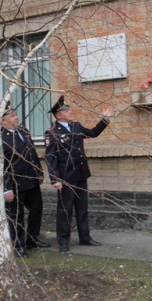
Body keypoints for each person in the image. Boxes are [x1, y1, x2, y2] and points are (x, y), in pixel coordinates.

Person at [45, 95, 114, 253]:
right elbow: (50, 157)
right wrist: (55, 179)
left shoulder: (76, 127)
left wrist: (104, 120)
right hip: (66, 177)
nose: (71, 112)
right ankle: (63, 241)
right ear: (59, 115)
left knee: (82, 208)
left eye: (69, 110)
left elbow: (92, 133)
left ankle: (85, 237)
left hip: (81, 174)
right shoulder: (52, 132)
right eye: (67, 111)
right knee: (65, 210)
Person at [2, 107, 50, 257]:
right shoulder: (0, 137)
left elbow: (32, 153)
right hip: (15, 183)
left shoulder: (23, 131)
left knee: (37, 208)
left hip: (31, 180)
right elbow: (0, 166)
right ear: (3, 121)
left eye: (16, 115)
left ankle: (32, 239)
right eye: (12, 116)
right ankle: (18, 245)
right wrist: (6, 188)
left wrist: (39, 172)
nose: (16, 117)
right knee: (16, 215)